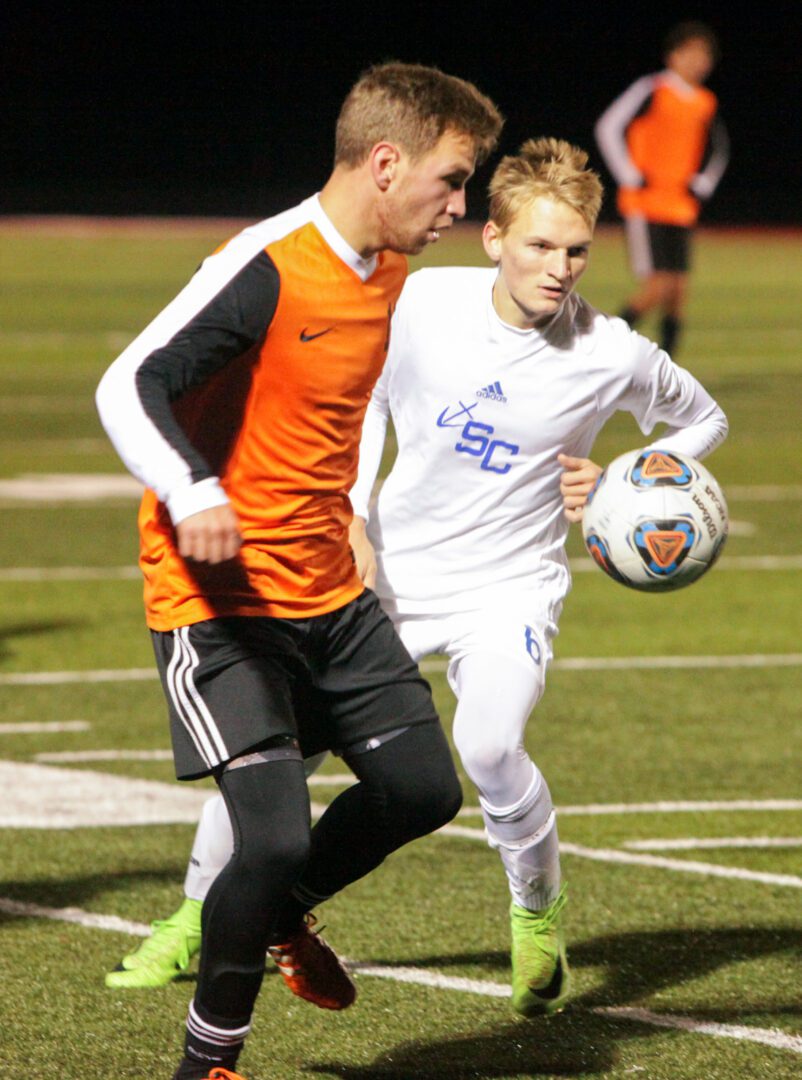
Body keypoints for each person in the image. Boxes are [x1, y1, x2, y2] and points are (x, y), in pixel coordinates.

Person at [104, 137, 728, 1022]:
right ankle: (195, 920)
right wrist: (350, 513)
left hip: (509, 588)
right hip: (387, 571)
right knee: (284, 750)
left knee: (487, 748)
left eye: (578, 250)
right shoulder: (419, 302)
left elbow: (705, 420)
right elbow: (360, 402)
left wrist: (630, 475)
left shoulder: (613, 352)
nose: (560, 269)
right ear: (493, 239)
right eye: (539, 247)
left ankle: (536, 910)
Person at [96, 60, 502, 1080]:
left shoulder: (389, 267)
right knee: (270, 836)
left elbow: (347, 403)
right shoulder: (268, 264)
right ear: (382, 162)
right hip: (217, 606)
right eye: (450, 181)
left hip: (328, 588)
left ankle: (274, 918)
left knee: (419, 790)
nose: (458, 206)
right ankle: (210, 1065)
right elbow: (127, 386)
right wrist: (193, 492)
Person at [594, 21, 729, 354]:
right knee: (658, 286)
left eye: (705, 55)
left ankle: (668, 368)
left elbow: (718, 149)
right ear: (673, 56)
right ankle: (599, 348)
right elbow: (609, 126)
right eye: (692, 53)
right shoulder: (652, 89)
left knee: (678, 292)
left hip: (680, 207)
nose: (699, 61)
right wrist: (628, 173)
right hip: (646, 204)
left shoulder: (704, 102)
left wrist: (702, 183)